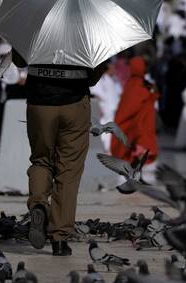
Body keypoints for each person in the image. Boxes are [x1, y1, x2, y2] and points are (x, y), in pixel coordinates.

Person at [11, 49, 106, 256]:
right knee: (69, 169)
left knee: (41, 160)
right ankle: (60, 238)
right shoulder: (87, 26)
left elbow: (18, 60)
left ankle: (38, 205)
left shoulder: (36, 19)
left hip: (39, 102)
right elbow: (95, 75)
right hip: (74, 102)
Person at [111, 56, 159, 184]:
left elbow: (126, 110)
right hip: (142, 126)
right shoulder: (143, 85)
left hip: (132, 127)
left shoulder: (132, 85)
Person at [90, 62, 122, 153]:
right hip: (104, 107)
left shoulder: (112, 79)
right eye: (112, 68)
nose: (114, 70)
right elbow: (96, 93)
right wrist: (99, 106)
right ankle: (106, 146)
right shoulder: (101, 80)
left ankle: (109, 146)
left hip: (112, 107)